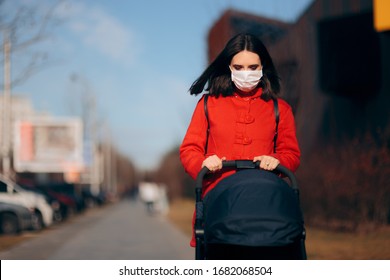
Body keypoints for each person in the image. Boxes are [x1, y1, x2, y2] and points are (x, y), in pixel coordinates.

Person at [179, 33, 301, 248]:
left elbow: (291, 153)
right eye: (239, 67)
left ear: (263, 66)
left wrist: (276, 160)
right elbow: (190, 149)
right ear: (229, 67)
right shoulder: (208, 104)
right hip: (219, 206)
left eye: (253, 67)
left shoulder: (279, 109)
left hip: (266, 207)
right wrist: (203, 163)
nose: (246, 73)